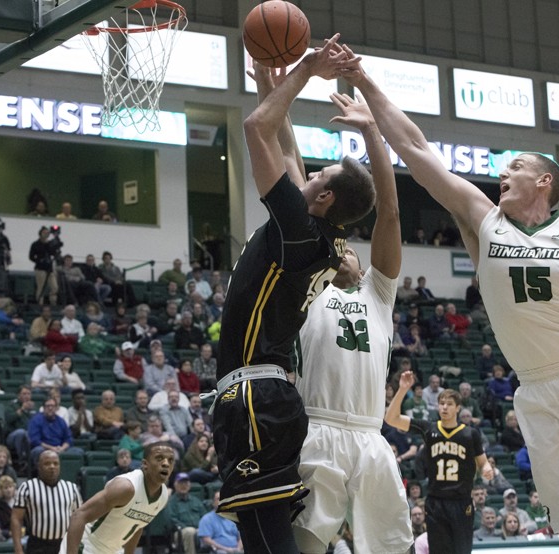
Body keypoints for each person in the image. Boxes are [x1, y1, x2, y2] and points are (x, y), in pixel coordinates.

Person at [351, 56, 559, 553]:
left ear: (545, 182)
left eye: (516, 166)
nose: (503, 172)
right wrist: (365, 81)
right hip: (538, 392)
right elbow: (415, 148)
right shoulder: (483, 220)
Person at [211, 41, 372, 554]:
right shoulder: (314, 235)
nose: (310, 175)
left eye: (322, 177)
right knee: (263, 537)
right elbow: (290, 154)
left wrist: (305, 69)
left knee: (266, 539)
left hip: (257, 398)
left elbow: (258, 129)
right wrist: (269, 81)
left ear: (324, 199)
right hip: (268, 395)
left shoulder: (299, 233)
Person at [291, 91, 409, 553]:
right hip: (315, 429)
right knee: (305, 546)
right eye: (336, 247)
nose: (342, 252)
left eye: (350, 249)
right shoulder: (309, 288)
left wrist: (371, 132)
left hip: (369, 435)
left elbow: (391, 213)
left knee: (392, 548)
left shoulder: (378, 294)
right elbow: (295, 181)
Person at [386, 370, 493, 554]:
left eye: (449, 404)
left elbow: (483, 462)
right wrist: (403, 389)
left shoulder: (470, 434)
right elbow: (391, 418)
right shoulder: (429, 429)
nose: (444, 407)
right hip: (436, 502)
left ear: (458, 408)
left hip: (461, 502)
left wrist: (487, 468)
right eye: (441, 403)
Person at [61, 441, 175, 554]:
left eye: (171, 460)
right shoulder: (125, 487)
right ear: (145, 464)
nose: (166, 464)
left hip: (114, 550)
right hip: (85, 546)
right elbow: (78, 515)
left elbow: (138, 526)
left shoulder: (163, 497)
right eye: (159, 458)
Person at [12, 450, 82, 554]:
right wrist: (18, 549)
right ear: (39, 466)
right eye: (47, 463)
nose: (52, 467)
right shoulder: (27, 487)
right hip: (38, 546)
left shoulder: (71, 488)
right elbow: (16, 519)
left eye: (55, 463)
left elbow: (79, 518)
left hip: (64, 544)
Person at [28, 396, 84, 465]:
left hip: (60, 448)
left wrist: (62, 448)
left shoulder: (61, 421)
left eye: (52, 406)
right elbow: (35, 440)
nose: (50, 408)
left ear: (56, 408)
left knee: (78, 451)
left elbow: (68, 438)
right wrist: (52, 448)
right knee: (38, 451)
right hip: (44, 448)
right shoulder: (36, 420)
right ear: (43, 408)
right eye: (48, 406)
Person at [167, 472, 209, 554]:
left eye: (186, 483)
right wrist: (192, 529)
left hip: (199, 529)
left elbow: (205, 517)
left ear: (189, 485)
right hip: (180, 532)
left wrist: (202, 528)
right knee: (190, 531)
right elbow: (172, 520)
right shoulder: (171, 502)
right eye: (181, 483)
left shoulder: (196, 500)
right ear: (175, 485)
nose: (183, 485)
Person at [29, 226, 60, 306]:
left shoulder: (50, 243)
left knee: (54, 287)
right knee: (41, 287)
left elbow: (54, 252)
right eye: (44, 233)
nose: (46, 234)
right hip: (40, 268)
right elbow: (31, 256)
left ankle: (53, 302)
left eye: (47, 233)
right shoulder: (35, 244)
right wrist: (39, 260)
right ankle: (40, 303)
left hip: (49, 268)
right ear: (40, 233)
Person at [0, 475, 17, 540]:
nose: (9, 490)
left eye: (10, 487)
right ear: (1, 490)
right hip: (7, 537)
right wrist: (9, 533)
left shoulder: (20, 503)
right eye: (5, 488)